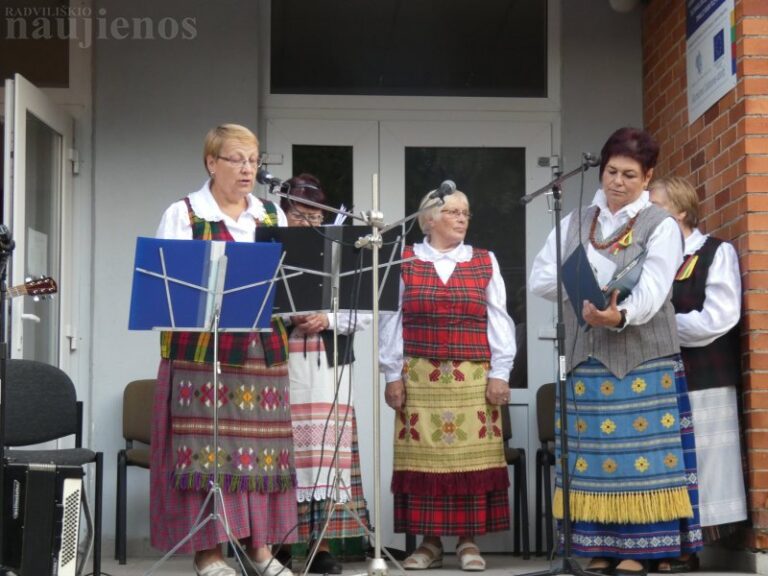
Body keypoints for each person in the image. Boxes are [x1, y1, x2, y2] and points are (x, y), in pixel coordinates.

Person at [529, 127, 703, 576]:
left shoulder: (660, 225)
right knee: (594, 459)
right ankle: (599, 546)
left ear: (648, 178)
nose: (617, 182)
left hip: (644, 356)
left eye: (629, 174)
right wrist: (588, 285)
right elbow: (541, 279)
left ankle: (644, 550)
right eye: (611, 171)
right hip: (587, 357)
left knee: (642, 461)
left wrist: (618, 314)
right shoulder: (574, 220)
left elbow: (654, 290)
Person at [150, 124, 296, 576]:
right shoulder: (185, 214)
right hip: (202, 355)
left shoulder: (272, 217)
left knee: (263, 452)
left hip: (260, 353)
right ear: (211, 162)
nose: (248, 168)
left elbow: (291, 286)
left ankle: (260, 550)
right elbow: (167, 286)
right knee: (205, 453)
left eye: (253, 160)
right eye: (237, 158)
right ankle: (208, 553)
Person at [379, 190, 516, 571]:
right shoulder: (405, 258)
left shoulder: (483, 261)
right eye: (452, 212)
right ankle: (430, 543)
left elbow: (499, 318)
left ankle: (468, 541)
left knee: (469, 463)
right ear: (429, 219)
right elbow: (392, 319)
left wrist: (500, 372)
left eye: (465, 213)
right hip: (420, 377)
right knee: (425, 464)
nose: (461, 218)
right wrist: (392, 374)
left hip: (471, 377)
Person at [649, 175, 747, 572]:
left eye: (655, 206)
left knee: (703, 461)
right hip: (661, 376)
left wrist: (660, 326)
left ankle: (692, 547)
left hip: (704, 374)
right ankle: (668, 542)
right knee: (669, 462)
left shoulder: (714, 252)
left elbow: (719, 317)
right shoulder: (654, 259)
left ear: (681, 211)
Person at [279, 174, 371, 574]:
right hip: (280, 362)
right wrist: (291, 314)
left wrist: (328, 317)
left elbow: (367, 310)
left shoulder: (343, 250)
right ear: (284, 212)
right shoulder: (270, 247)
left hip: (330, 363)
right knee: (285, 454)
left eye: (315, 214)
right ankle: (278, 546)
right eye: (299, 214)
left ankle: (323, 546)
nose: (308, 221)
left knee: (327, 457)